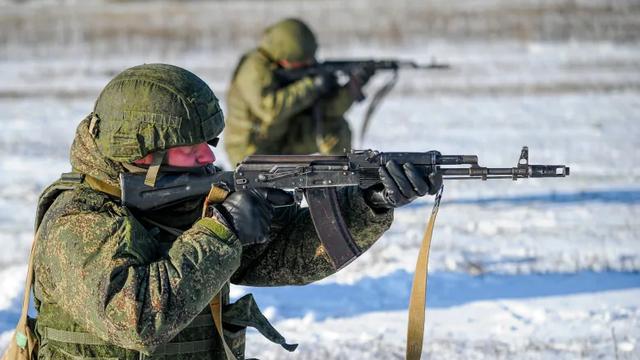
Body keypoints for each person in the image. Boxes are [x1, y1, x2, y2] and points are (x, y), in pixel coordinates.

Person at [31, 64, 441, 359]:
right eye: (191, 146)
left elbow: (285, 259)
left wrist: (369, 202)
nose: (210, 154)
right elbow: (136, 320)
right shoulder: (77, 220)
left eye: (209, 141)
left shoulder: (183, 199)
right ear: (142, 154)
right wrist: (221, 231)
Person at [224, 18, 373, 165]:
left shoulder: (293, 69)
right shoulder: (254, 69)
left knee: (335, 128)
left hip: (284, 139)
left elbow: (328, 110)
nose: (308, 64)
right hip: (252, 150)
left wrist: (351, 88)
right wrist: (311, 85)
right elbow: (270, 110)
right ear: (285, 56)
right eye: (302, 61)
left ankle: (342, 182)